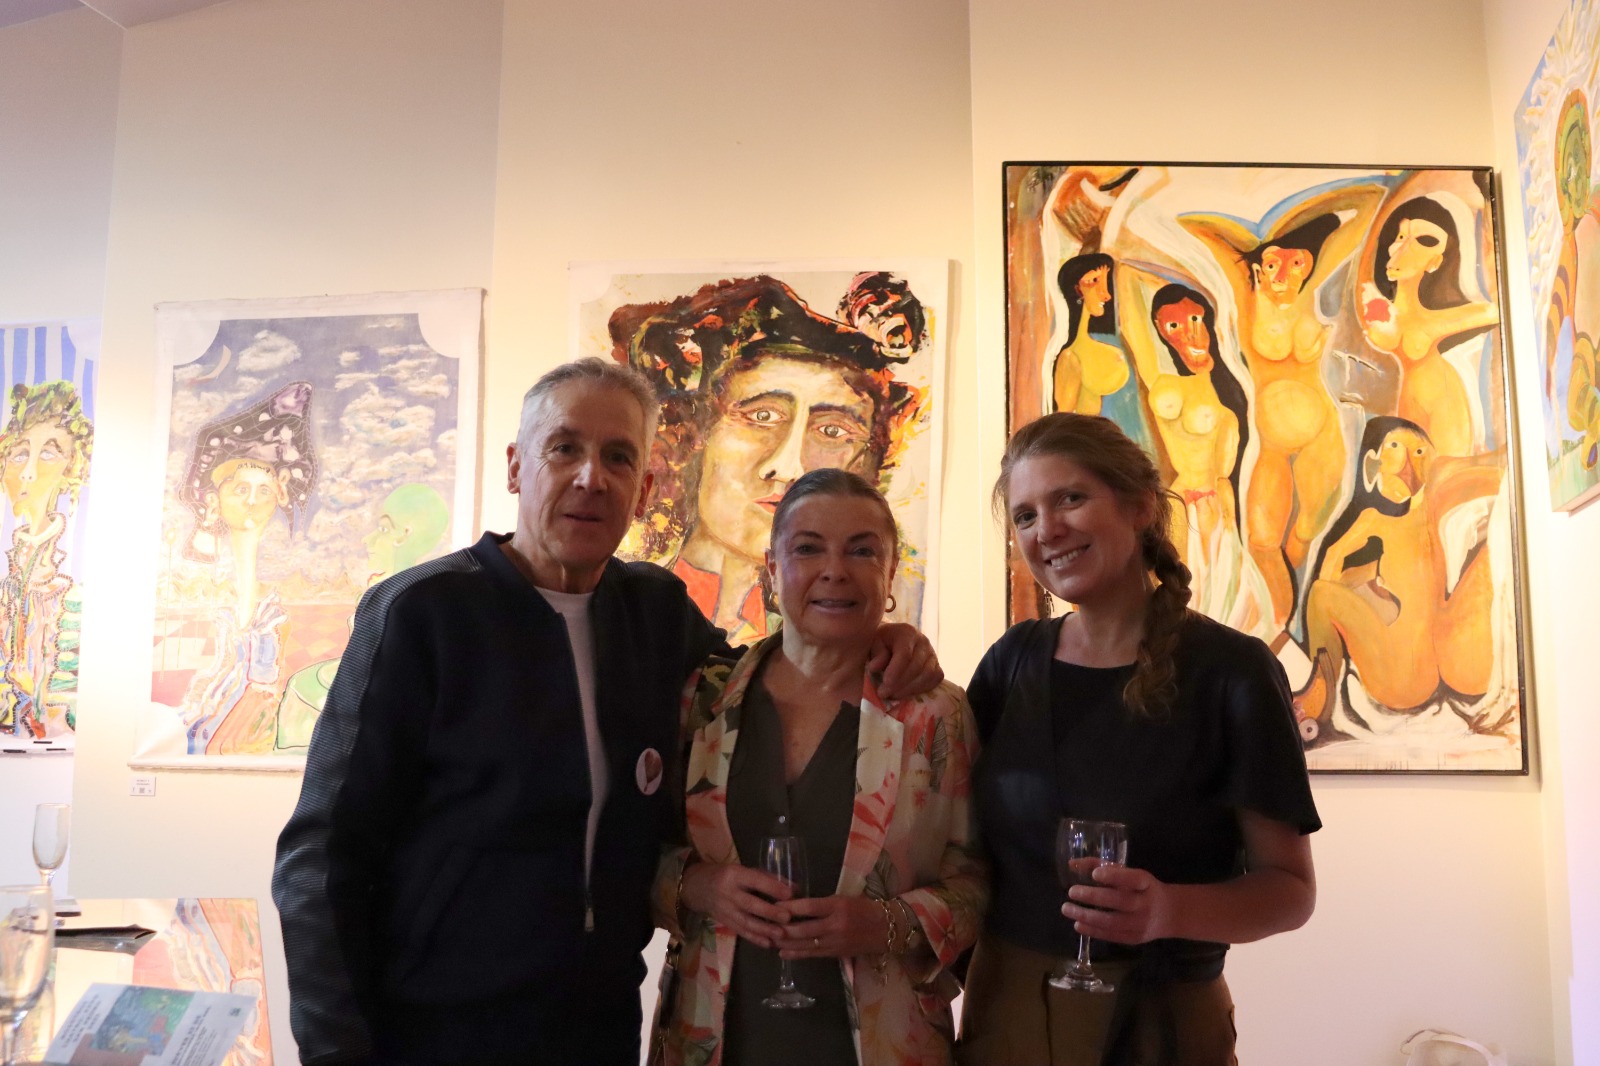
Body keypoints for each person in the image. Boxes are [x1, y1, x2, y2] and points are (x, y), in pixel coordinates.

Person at [272, 358, 940, 1066]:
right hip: (438, 1033)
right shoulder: (422, 613)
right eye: (565, 448)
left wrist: (875, 639)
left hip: (598, 1028)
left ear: (643, 489)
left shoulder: (655, 612)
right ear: (516, 467)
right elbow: (321, 855)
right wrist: (335, 1050)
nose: (591, 477)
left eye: (618, 457)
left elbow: (766, 676)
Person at [958, 412, 1319, 1066]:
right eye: (1025, 516)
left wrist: (1169, 910)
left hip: (1163, 1027)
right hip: (1006, 1018)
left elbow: (1290, 891)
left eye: (1071, 498)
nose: (1047, 530)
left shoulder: (1231, 672)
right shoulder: (1011, 664)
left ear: (1140, 506)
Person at [650, 467, 985, 1065]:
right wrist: (696, 884)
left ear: (889, 576)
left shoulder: (937, 715)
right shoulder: (702, 700)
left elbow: (980, 884)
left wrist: (887, 923)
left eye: (862, 551)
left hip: (884, 1045)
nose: (835, 570)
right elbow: (628, 853)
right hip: (716, 1036)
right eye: (808, 548)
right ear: (772, 570)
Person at [613, 275, 924, 643]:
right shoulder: (630, 616)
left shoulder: (845, 646)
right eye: (762, 416)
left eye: (832, 431)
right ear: (697, 434)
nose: (790, 468)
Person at [1292, 417, 1505, 741]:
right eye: (1395, 446)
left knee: (1494, 548)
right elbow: (1329, 573)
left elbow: (1484, 467)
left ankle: (1321, 687)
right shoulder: (1371, 521)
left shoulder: (1437, 494)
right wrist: (1371, 588)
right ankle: (1321, 689)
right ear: (1371, 462)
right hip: (1407, 676)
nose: (1408, 462)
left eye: (1419, 451)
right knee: (1321, 593)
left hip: (1461, 661)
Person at [176, 380, 317, 755]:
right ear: (214, 500)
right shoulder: (204, 593)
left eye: (263, 490)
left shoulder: (273, 611)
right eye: (241, 489)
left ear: (280, 494)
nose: (253, 502)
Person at [1359, 195, 1499, 458]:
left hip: (1442, 413)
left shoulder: (1435, 321)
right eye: (1401, 236)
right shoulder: (1372, 307)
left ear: (1435, 262)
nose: (1404, 247)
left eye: (1424, 240)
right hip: (1394, 429)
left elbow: (1495, 310)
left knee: (1445, 476)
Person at [0, 381, 92, 741]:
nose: (28, 472)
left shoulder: (69, 585)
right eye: (19, 455)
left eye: (48, 455)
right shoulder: (12, 572)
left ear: (72, 467)